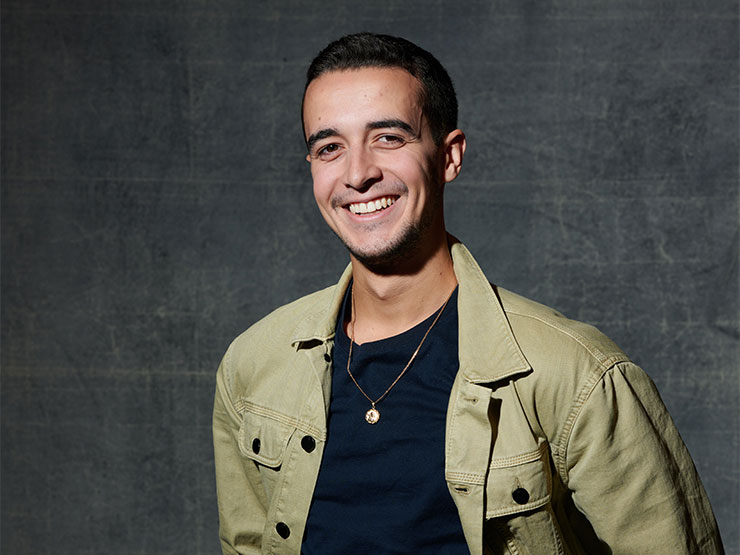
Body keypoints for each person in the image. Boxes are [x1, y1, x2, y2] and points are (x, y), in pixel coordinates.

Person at [212, 32, 723, 554]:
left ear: (449, 156)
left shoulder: (575, 376)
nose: (358, 173)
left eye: (388, 138)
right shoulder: (253, 366)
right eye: (329, 148)